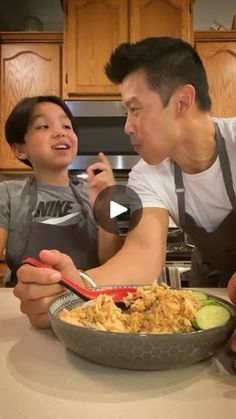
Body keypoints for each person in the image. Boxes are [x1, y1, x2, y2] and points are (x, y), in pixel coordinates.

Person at [14, 37, 236, 368]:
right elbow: (142, 254)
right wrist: (76, 288)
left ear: (182, 100)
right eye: (125, 112)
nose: (127, 126)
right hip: (212, 289)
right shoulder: (147, 173)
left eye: (135, 109)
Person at [0, 95, 122, 287]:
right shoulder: (7, 194)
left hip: (87, 304)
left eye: (66, 126)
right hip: (25, 304)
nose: (60, 132)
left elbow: (112, 262)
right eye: (43, 126)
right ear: (20, 149)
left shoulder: (96, 191)